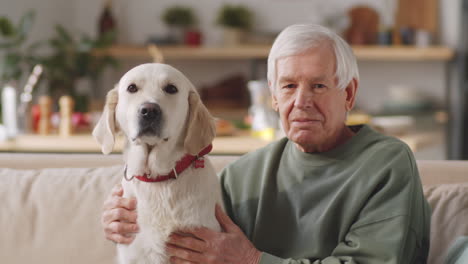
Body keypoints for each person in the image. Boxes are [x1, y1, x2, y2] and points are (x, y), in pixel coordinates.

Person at [101, 24, 431, 263]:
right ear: (273, 98)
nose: (301, 102)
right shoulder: (242, 175)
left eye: (317, 85)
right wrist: (127, 220)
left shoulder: (388, 163)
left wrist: (252, 260)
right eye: (288, 86)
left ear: (348, 93)